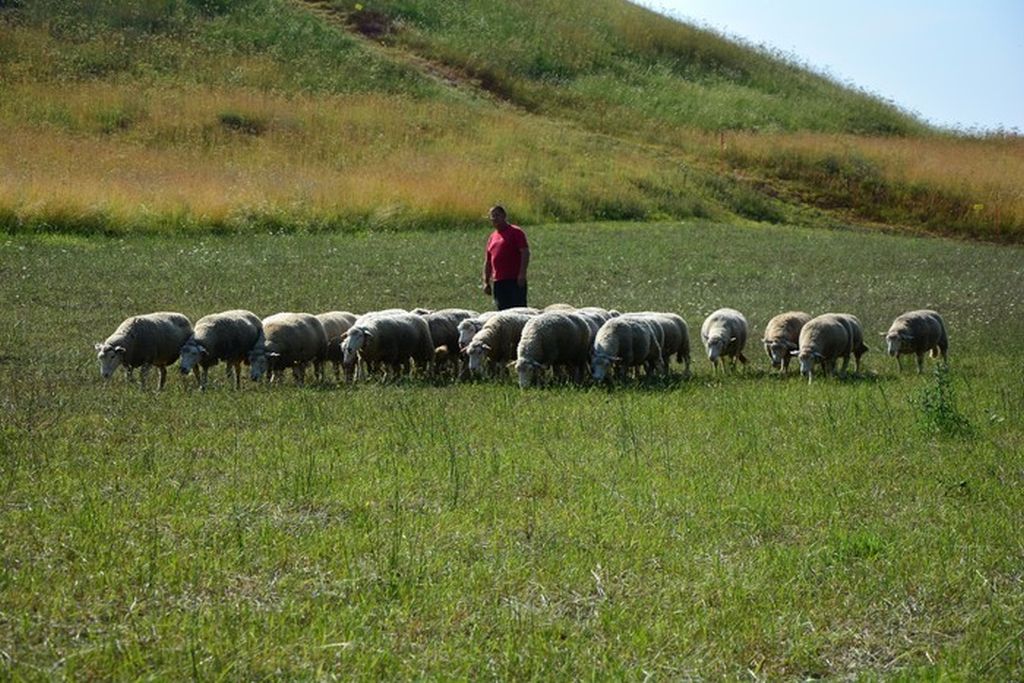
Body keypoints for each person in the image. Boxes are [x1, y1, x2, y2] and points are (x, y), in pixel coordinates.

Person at [482, 205, 530, 310]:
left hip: (514, 280)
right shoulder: (492, 237)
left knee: (518, 311)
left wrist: (522, 274)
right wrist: (486, 281)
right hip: (498, 282)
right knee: (502, 312)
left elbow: (525, 252)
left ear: (504, 216)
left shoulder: (516, 232)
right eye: (492, 216)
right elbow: (488, 261)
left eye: (497, 215)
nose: (494, 218)